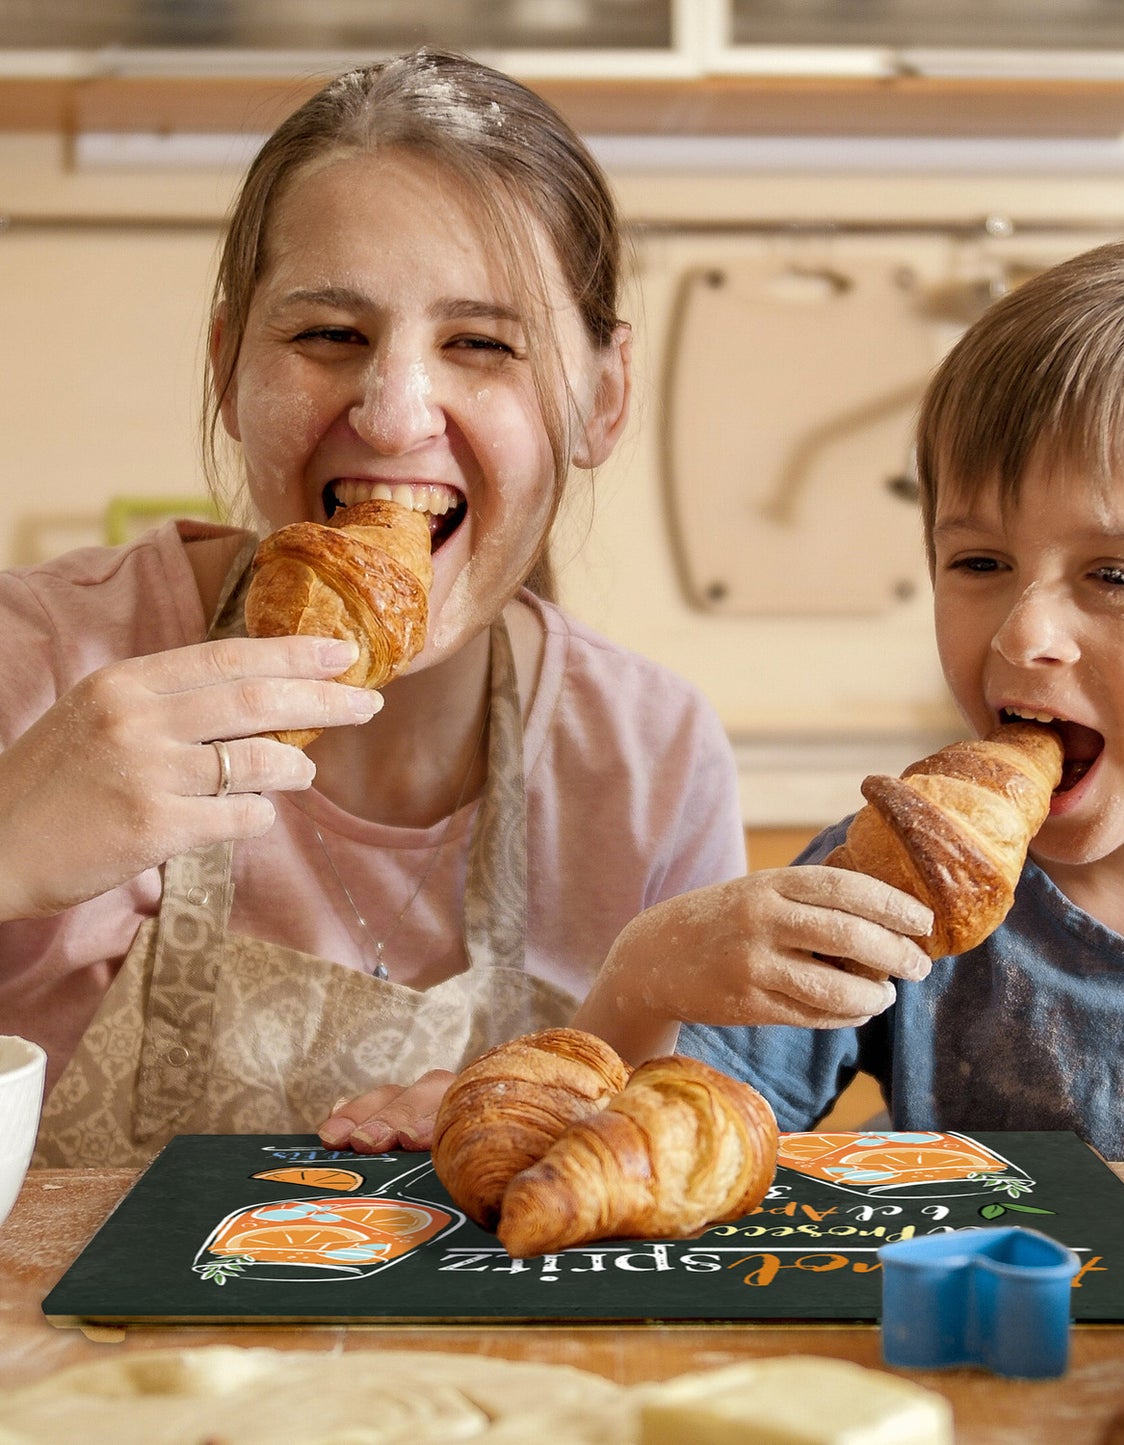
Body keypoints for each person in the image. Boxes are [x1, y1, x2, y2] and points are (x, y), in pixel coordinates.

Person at [5, 48, 748, 1168]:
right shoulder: (42, 662)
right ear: (226, 367)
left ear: (601, 398)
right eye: (326, 335)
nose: (397, 413)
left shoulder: (647, 760)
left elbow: (693, 1174)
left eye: (482, 344)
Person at [578, 233, 1124, 1187]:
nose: (1022, 631)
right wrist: (643, 974)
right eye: (980, 563)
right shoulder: (889, 881)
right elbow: (655, 1154)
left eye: (1114, 574)